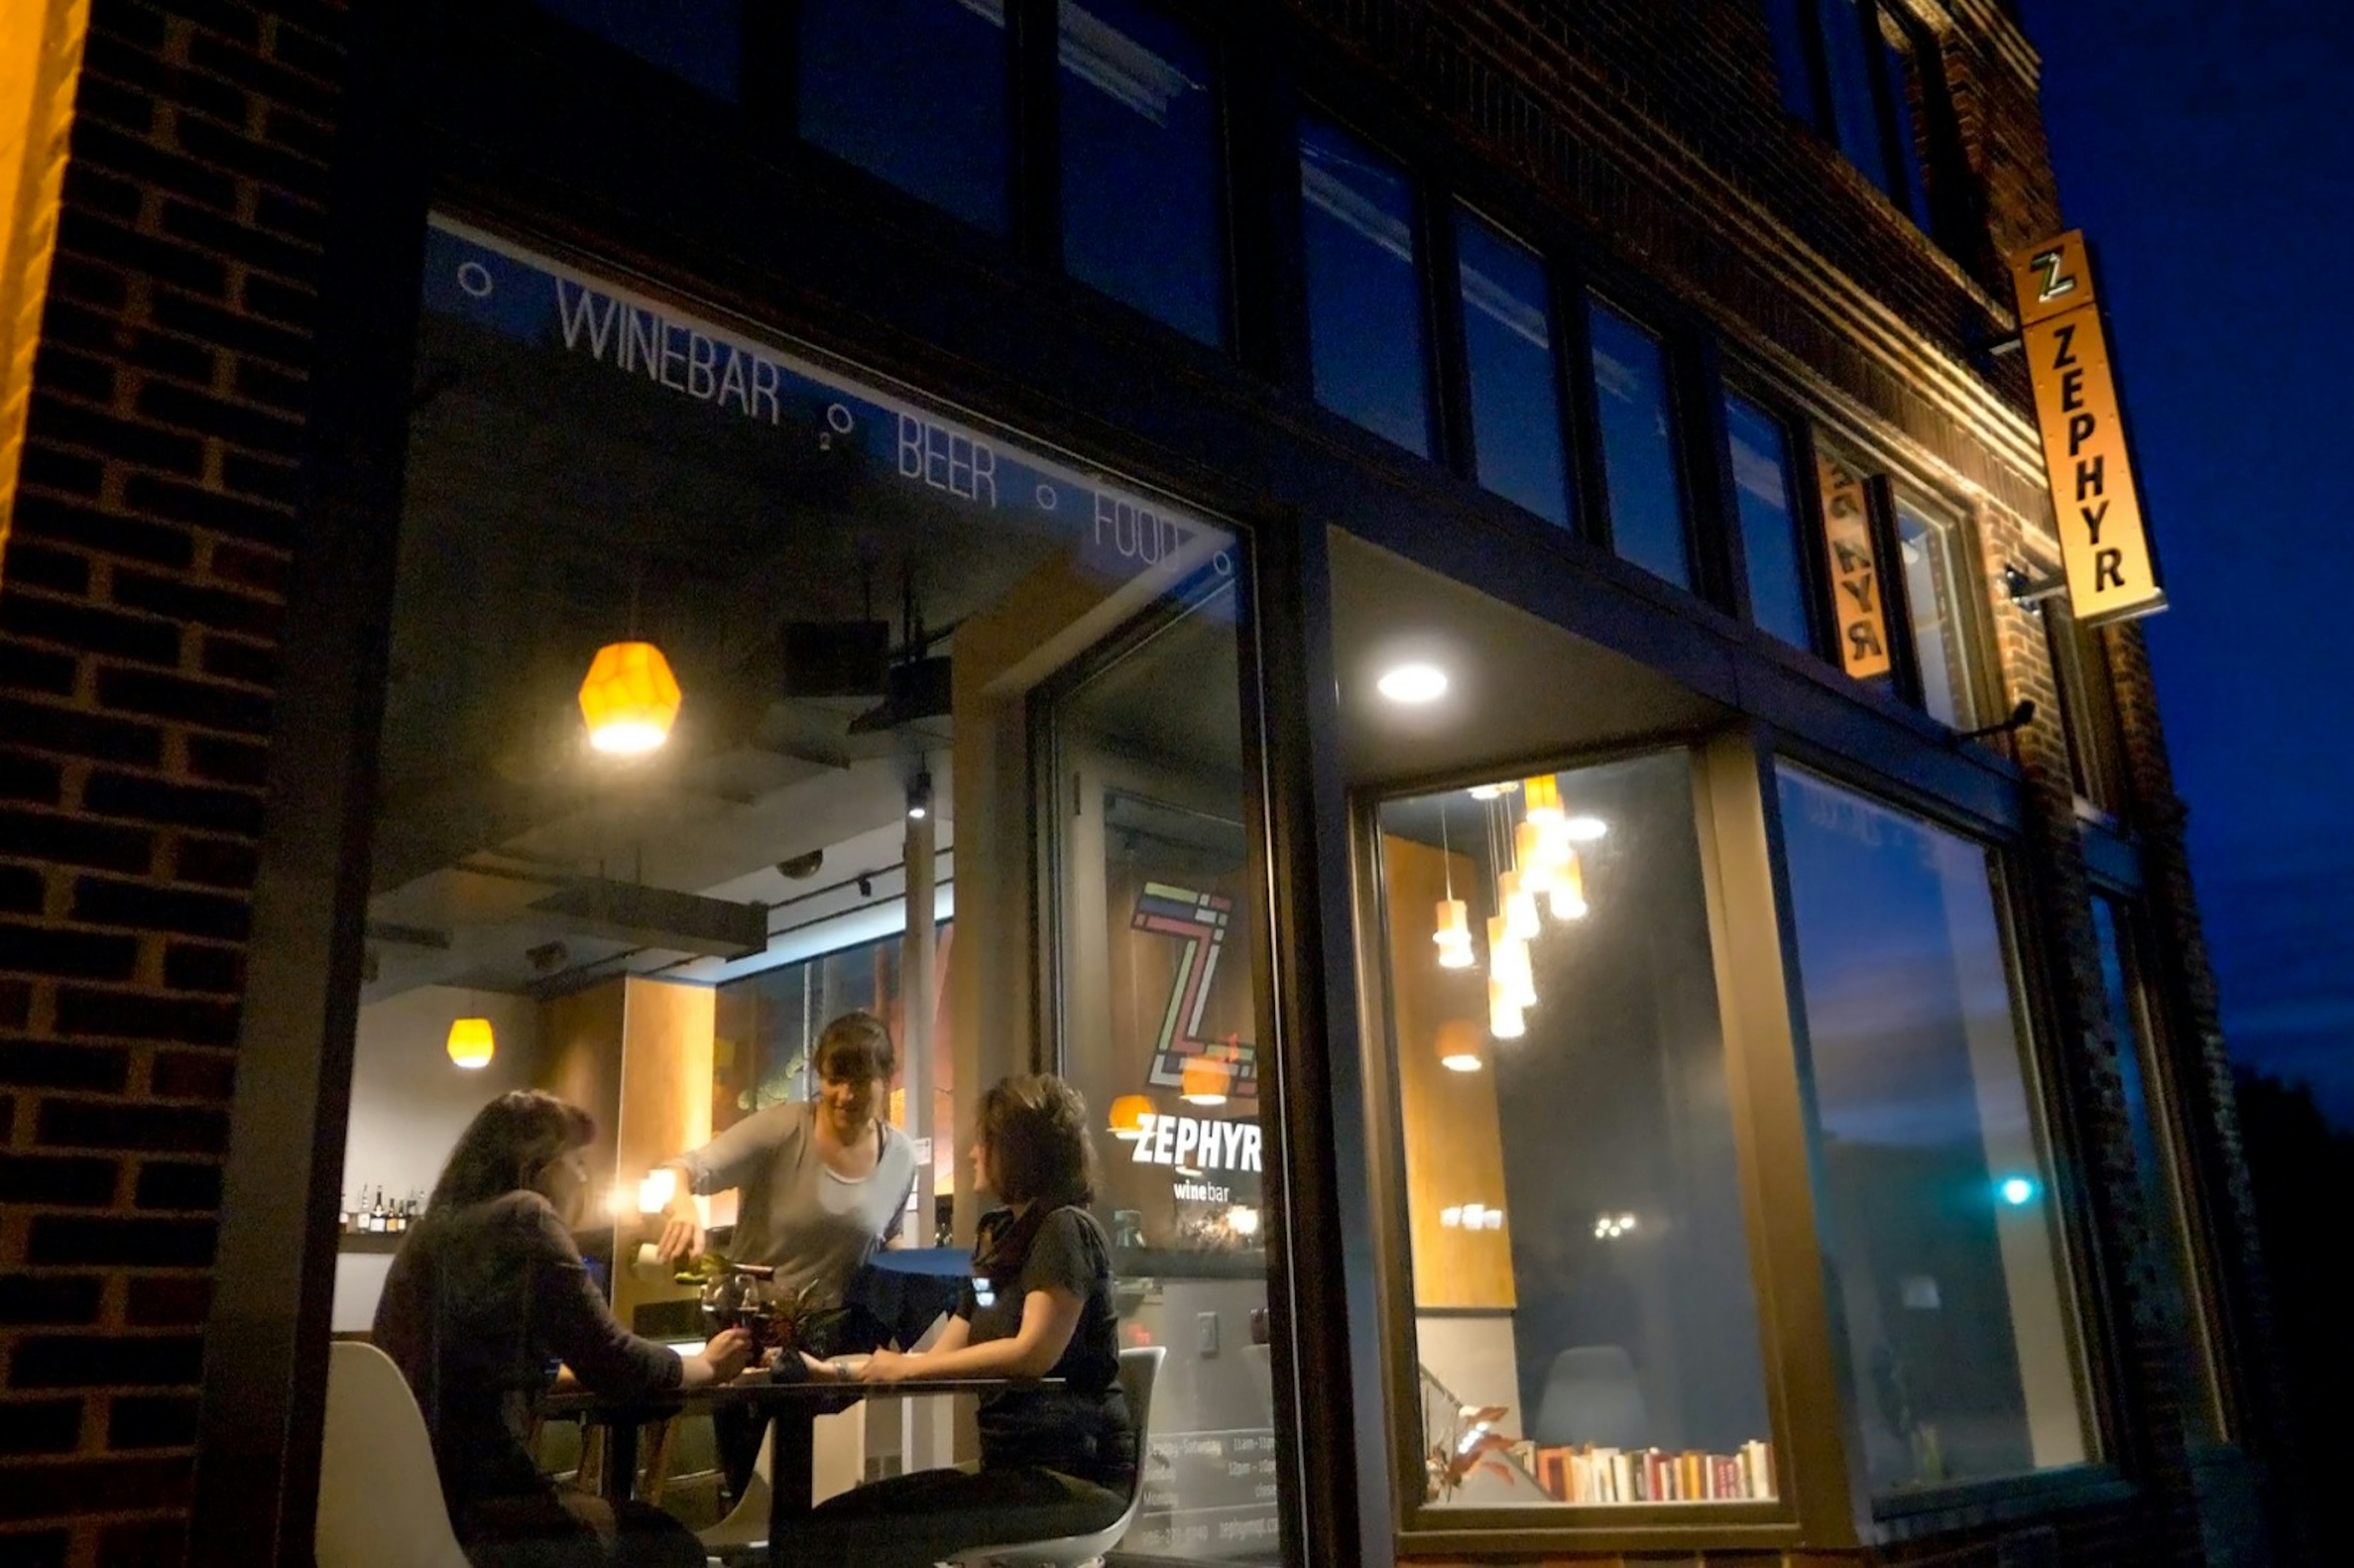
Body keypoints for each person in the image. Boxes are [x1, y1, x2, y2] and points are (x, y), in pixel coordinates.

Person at [373, 1090, 753, 1568]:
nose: (585, 1176)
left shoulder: (430, 1233)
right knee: (670, 1547)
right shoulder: (525, 1217)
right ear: (541, 1164)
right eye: (577, 1160)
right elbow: (615, 1361)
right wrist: (705, 1366)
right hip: (487, 1512)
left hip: (410, 1505)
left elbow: (467, 1364)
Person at [777, 1073, 1135, 1568]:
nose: (971, 1154)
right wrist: (837, 1373)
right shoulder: (1001, 1242)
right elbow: (943, 1356)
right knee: (828, 1524)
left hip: (1073, 1479)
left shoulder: (1064, 1229)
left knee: (851, 1534)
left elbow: (1033, 1353)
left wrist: (901, 1369)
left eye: (984, 1142)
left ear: (1018, 1151)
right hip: (1014, 1474)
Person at [650, 1008, 920, 1497]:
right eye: (835, 1079)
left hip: (833, 1342)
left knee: (820, 1489)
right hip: (752, 1329)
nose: (847, 1095)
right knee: (752, 1485)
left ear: (887, 1081)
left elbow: (888, 1239)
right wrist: (685, 1210)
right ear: (820, 1076)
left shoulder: (900, 1156)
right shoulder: (781, 1130)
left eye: (863, 1080)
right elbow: (678, 1170)